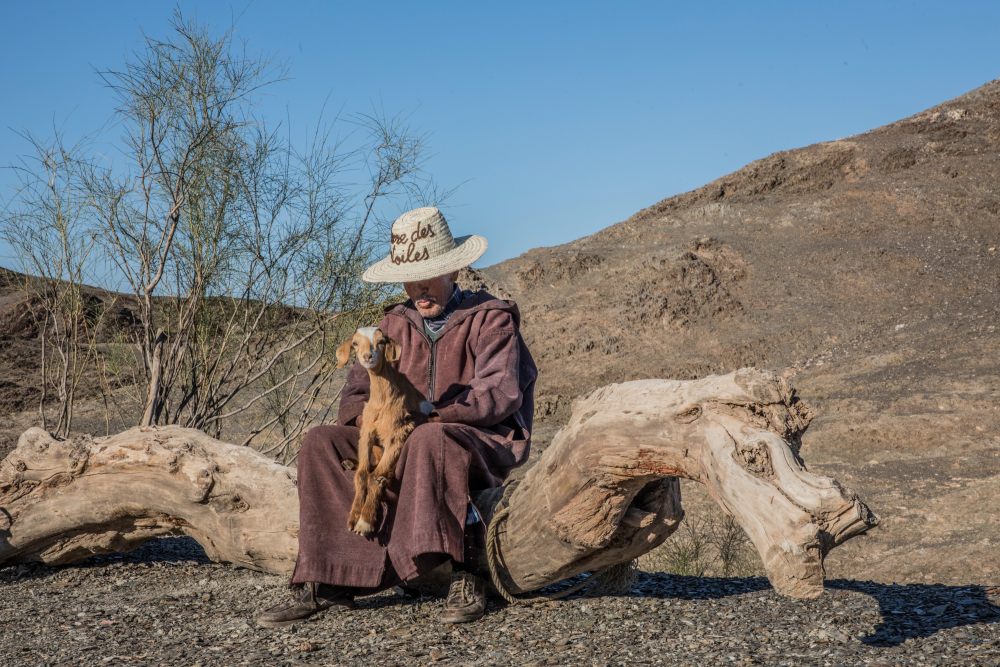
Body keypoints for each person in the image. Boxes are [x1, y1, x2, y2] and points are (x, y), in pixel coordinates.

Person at [257, 206, 537, 628]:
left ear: (454, 272)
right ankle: (329, 580)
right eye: (411, 280)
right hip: (398, 438)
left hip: (471, 437)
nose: (419, 289)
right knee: (321, 442)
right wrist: (372, 428)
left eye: (429, 278)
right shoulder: (392, 323)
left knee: (429, 440)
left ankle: (465, 572)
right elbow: (355, 394)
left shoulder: (490, 318)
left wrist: (432, 415)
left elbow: (499, 392)